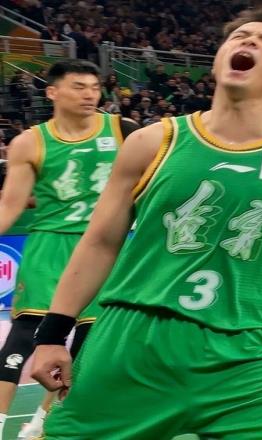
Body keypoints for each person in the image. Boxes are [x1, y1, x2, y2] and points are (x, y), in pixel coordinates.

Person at [32, 7, 262, 439]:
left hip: (251, 355)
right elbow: (100, 243)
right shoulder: (152, 142)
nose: (249, 41)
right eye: (239, 36)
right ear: (219, 57)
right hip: (130, 344)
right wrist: (52, 334)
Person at [0, 60, 138, 440]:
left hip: (105, 247)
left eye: (94, 87)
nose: (90, 94)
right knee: (23, 338)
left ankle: (40, 424)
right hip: (51, 245)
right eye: (79, 86)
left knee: (85, 347)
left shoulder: (124, 130)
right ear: (52, 92)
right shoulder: (30, 142)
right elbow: (10, 206)